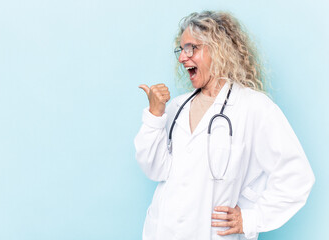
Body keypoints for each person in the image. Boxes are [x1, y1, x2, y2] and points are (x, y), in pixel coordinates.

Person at [134, 11, 315, 240]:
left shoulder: (253, 108)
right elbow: (154, 169)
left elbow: (297, 176)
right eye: (181, 50)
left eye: (192, 48)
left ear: (218, 49)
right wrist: (154, 115)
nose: (182, 58)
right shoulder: (177, 107)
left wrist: (250, 218)